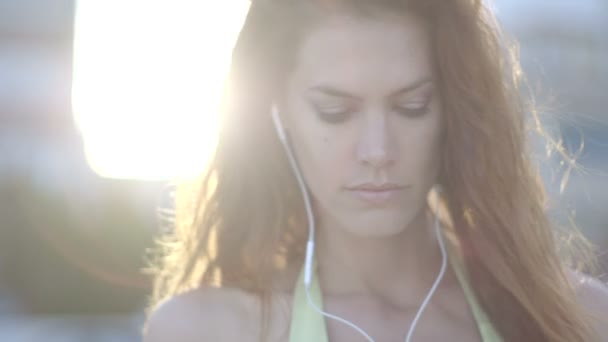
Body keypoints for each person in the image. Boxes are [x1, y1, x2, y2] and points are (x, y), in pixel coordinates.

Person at [143, 0, 608, 341]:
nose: (378, 151)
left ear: (454, 111)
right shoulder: (208, 330)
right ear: (276, 112)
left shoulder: (574, 319)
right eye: (334, 112)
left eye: (412, 106)